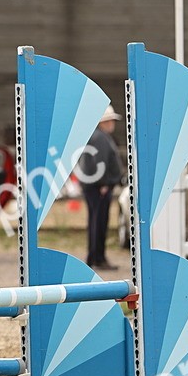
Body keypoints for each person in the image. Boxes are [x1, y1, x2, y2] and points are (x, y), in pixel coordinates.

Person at [78, 105, 123, 270]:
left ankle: (94, 256)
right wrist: (103, 183)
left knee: (95, 221)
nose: (112, 123)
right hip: (99, 186)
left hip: (95, 185)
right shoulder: (101, 138)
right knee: (99, 221)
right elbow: (101, 162)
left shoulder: (97, 137)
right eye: (110, 120)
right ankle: (98, 257)